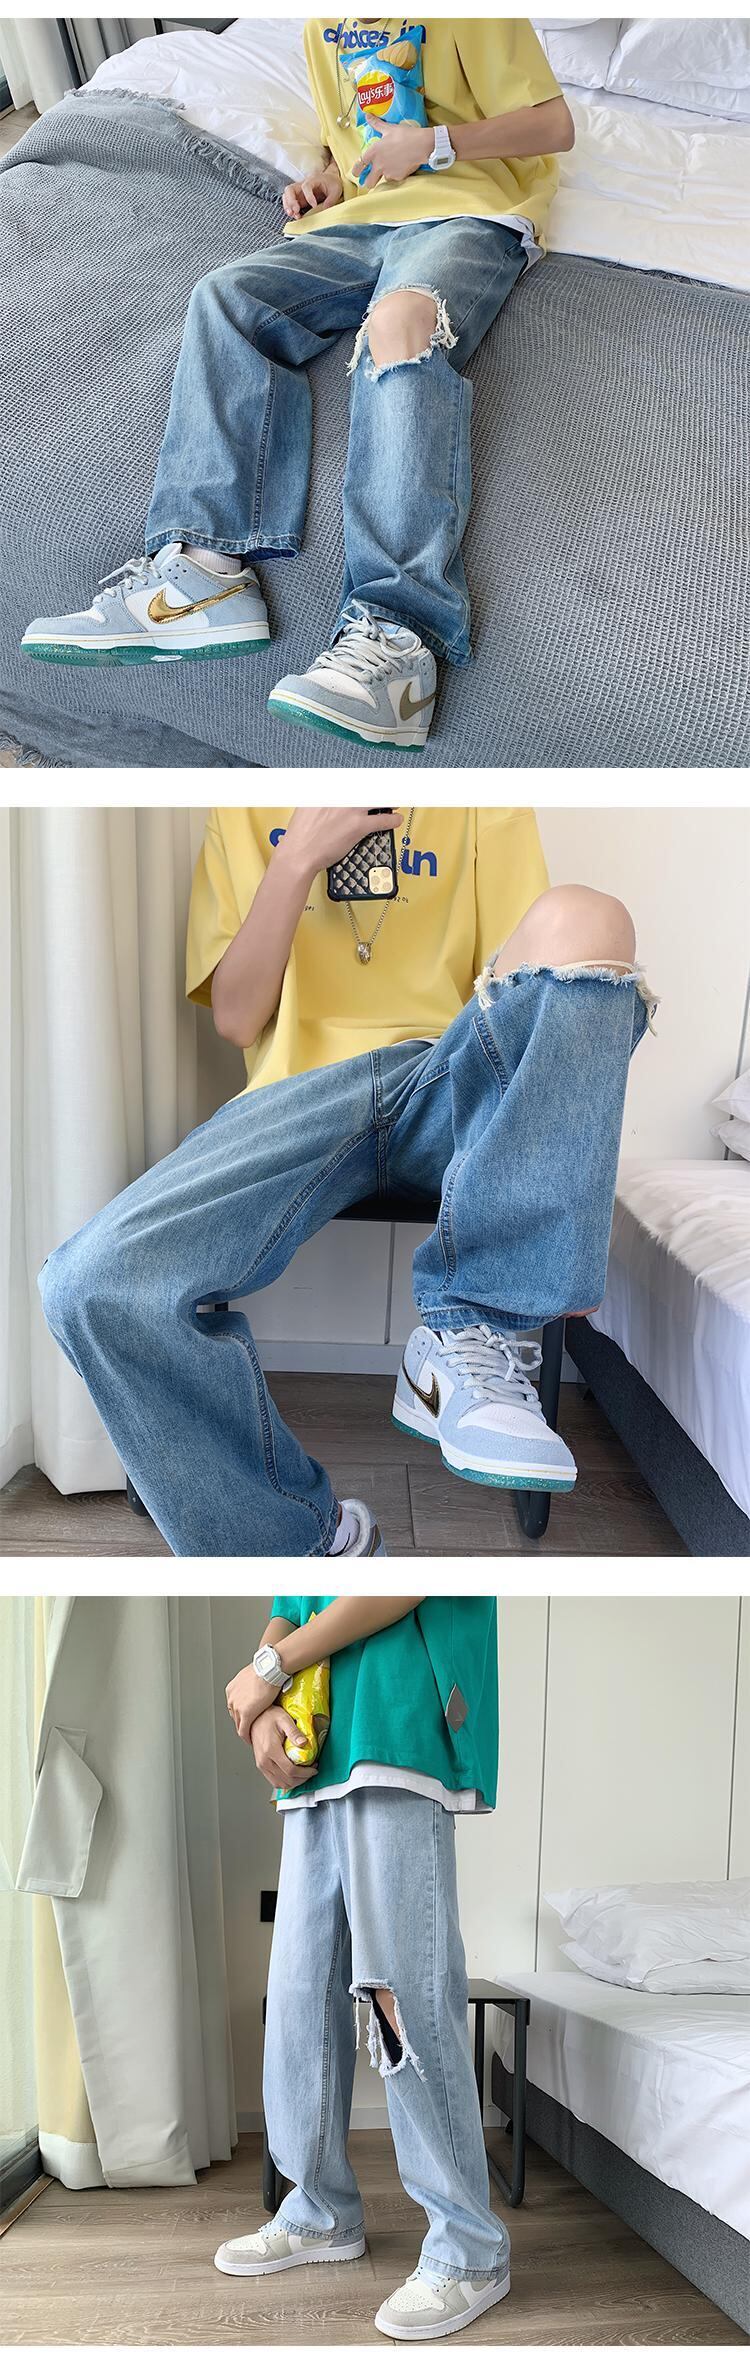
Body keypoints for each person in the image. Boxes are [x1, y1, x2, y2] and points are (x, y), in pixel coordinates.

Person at [38, 806, 655, 1557]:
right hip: (294, 1100)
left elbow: (524, 1002)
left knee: (591, 919)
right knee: (91, 1282)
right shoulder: (242, 811)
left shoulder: (481, 806)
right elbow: (236, 1018)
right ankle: (302, 1547)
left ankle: (466, 1329)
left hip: (443, 1075)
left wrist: (565, 1181)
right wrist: (298, 856)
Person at [22, 20, 574, 751]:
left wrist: (437, 144)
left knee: (400, 324)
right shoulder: (325, 24)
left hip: (465, 215)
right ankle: (207, 574)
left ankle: (398, 639)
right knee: (227, 298)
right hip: (355, 222)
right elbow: (352, 136)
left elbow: (555, 126)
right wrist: (330, 177)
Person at [218, 1591, 509, 2342]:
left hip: (396, 1726)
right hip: (316, 1749)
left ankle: (470, 2249)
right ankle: (318, 2210)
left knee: (402, 1997)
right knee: (299, 1999)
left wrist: (270, 1668)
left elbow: (400, 1580)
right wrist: (263, 1703)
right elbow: (292, 1600)